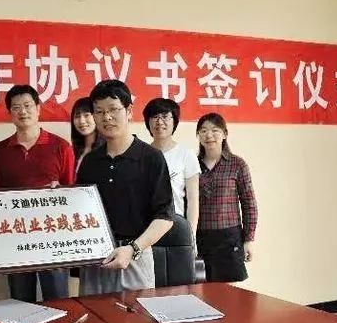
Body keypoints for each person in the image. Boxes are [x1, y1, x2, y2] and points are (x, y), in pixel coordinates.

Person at [77, 80, 175, 296]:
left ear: (129, 111)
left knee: (136, 315)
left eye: (113, 109)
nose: (107, 117)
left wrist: (133, 249)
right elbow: (78, 214)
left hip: (135, 256)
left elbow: (165, 217)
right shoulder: (90, 162)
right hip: (96, 259)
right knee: (93, 315)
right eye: (99, 111)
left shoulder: (151, 158)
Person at [0, 85, 75, 303]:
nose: (23, 111)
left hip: (53, 238)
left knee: (58, 300)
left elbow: (71, 193)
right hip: (16, 237)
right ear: (10, 113)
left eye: (28, 106)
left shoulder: (61, 146)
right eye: (16, 107)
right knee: (21, 301)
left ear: (38, 108)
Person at [196, 112, 258, 283]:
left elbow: (249, 204)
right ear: (198, 135)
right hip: (201, 238)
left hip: (230, 238)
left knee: (230, 292)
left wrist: (248, 239)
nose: (209, 135)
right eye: (203, 131)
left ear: (224, 134)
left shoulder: (237, 164)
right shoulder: (192, 164)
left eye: (215, 130)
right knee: (203, 288)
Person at [143, 97, 201, 252]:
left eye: (165, 117)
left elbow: (193, 201)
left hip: (177, 227)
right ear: (148, 122)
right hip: (147, 228)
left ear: (174, 121)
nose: (159, 122)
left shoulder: (186, 154)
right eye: (155, 117)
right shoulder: (141, 155)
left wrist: (191, 236)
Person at [70, 96, 104, 172]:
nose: (81, 121)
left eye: (86, 115)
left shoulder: (109, 150)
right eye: (77, 116)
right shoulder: (74, 151)